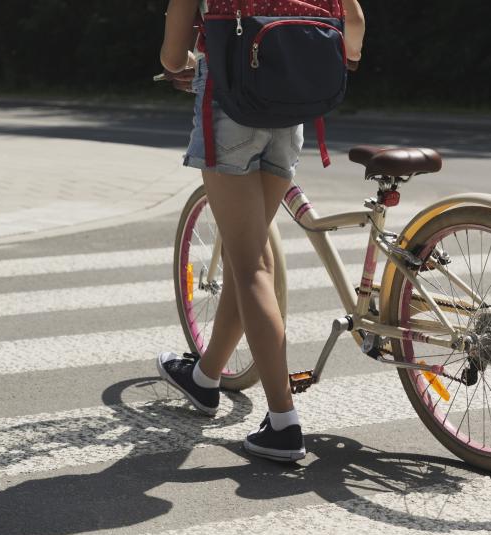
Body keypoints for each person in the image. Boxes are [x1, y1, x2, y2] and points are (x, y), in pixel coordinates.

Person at [157, 0, 366, 462]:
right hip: (290, 110)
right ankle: (206, 377)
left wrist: (187, 63)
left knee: (250, 263)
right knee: (248, 255)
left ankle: (283, 422)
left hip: (230, 107)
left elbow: (173, 57)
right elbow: (354, 26)